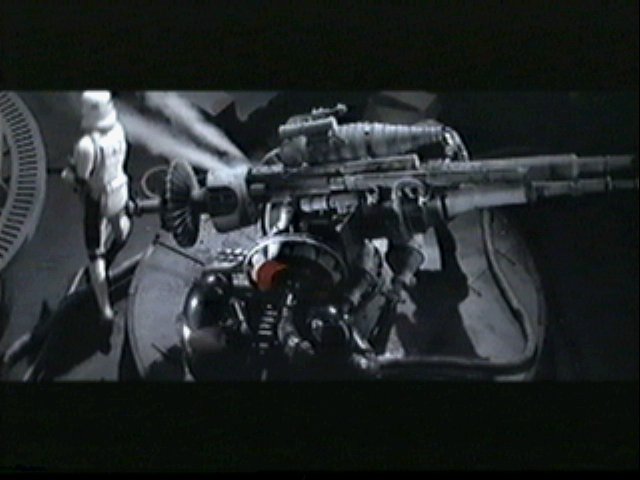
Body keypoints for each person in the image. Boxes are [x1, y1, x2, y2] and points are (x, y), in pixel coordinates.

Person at [61, 91, 131, 321]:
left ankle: (105, 309)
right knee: (120, 223)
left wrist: (68, 176)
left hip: (98, 199)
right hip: (121, 188)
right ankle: (120, 238)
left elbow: (82, 177)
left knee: (95, 253)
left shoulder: (86, 145)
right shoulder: (119, 130)